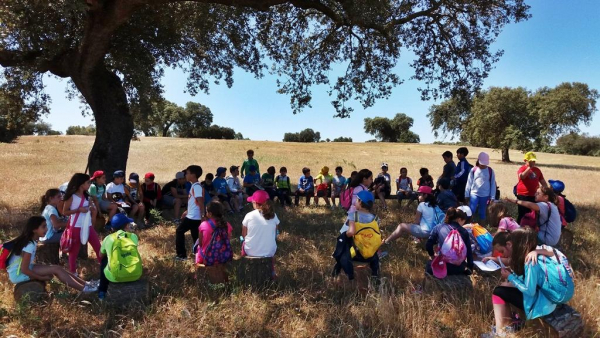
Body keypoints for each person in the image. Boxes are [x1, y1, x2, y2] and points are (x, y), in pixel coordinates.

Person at [486, 228, 574, 337]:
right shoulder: (536, 253)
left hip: (543, 304)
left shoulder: (530, 261)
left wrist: (510, 277)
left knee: (498, 292)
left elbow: (529, 291)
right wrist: (512, 279)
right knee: (506, 289)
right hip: (548, 298)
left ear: (514, 244)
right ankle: (511, 323)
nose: (504, 254)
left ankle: (501, 332)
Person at [5, 216, 97, 292]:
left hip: (22, 270)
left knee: (57, 268)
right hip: (18, 274)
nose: (47, 229)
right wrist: (41, 277)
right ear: (34, 230)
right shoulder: (29, 245)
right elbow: (24, 269)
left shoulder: (31, 241)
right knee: (57, 270)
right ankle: (84, 289)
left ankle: (86, 284)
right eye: (44, 227)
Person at [332, 191, 381, 281]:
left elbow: (351, 232)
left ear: (360, 202)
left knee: (343, 245)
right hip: (371, 251)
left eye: (356, 199)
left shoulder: (353, 216)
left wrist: (344, 235)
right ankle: (375, 275)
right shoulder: (376, 218)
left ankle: (341, 272)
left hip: (356, 252)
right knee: (374, 255)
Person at [62, 173, 102, 275]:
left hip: (87, 225)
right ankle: (72, 272)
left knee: (98, 247)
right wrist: (78, 210)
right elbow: (65, 212)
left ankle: (104, 268)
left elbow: (89, 206)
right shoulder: (72, 197)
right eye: (88, 182)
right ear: (81, 184)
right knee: (74, 251)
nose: (90, 184)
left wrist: (92, 208)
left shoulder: (86, 195)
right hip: (76, 226)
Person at [98, 213, 141, 300]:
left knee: (104, 260)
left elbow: (100, 255)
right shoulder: (133, 237)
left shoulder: (108, 239)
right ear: (126, 226)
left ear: (112, 228)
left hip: (115, 277)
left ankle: (102, 291)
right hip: (136, 274)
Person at [425, 207, 473, 277]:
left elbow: (428, 245)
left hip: (441, 265)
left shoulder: (438, 227)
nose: (463, 224)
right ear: (459, 219)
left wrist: (432, 256)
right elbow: (469, 253)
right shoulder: (464, 232)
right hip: (459, 268)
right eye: (463, 221)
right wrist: (470, 268)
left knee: (428, 266)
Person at [175, 165, 205, 261]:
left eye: (187, 173)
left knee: (179, 231)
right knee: (196, 237)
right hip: (194, 216)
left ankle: (181, 255)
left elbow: (200, 201)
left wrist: (203, 215)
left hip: (193, 217)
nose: (186, 175)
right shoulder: (195, 186)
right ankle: (199, 254)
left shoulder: (196, 186)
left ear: (193, 175)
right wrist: (187, 211)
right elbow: (194, 202)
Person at [241, 190, 279, 257]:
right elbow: (276, 233)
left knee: (243, 241)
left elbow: (244, 235)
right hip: (270, 252)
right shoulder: (274, 215)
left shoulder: (249, 215)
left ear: (255, 203)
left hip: (250, 251)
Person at [515, 152, 548, 223]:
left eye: (534, 161)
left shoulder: (537, 170)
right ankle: (519, 228)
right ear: (525, 160)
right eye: (530, 161)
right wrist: (529, 168)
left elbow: (543, 182)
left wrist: (546, 190)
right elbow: (522, 176)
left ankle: (531, 228)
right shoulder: (522, 168)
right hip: (523, 195)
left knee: (533, 214)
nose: (533, 162)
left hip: (535, 195)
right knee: (522, 213)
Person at [465, 152, 496, 222]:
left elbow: (493, 184)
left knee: (482, 212)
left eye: (485, 164)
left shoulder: (490, 171)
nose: (483, 165)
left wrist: (492, 197)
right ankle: (469, 224)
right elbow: (469, 182)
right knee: (471, 210)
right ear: (478, 161)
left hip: (485, 195)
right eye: (482, 164)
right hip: (474, 194)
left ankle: (482, 225)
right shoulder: (473, 170)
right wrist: (466, 194)